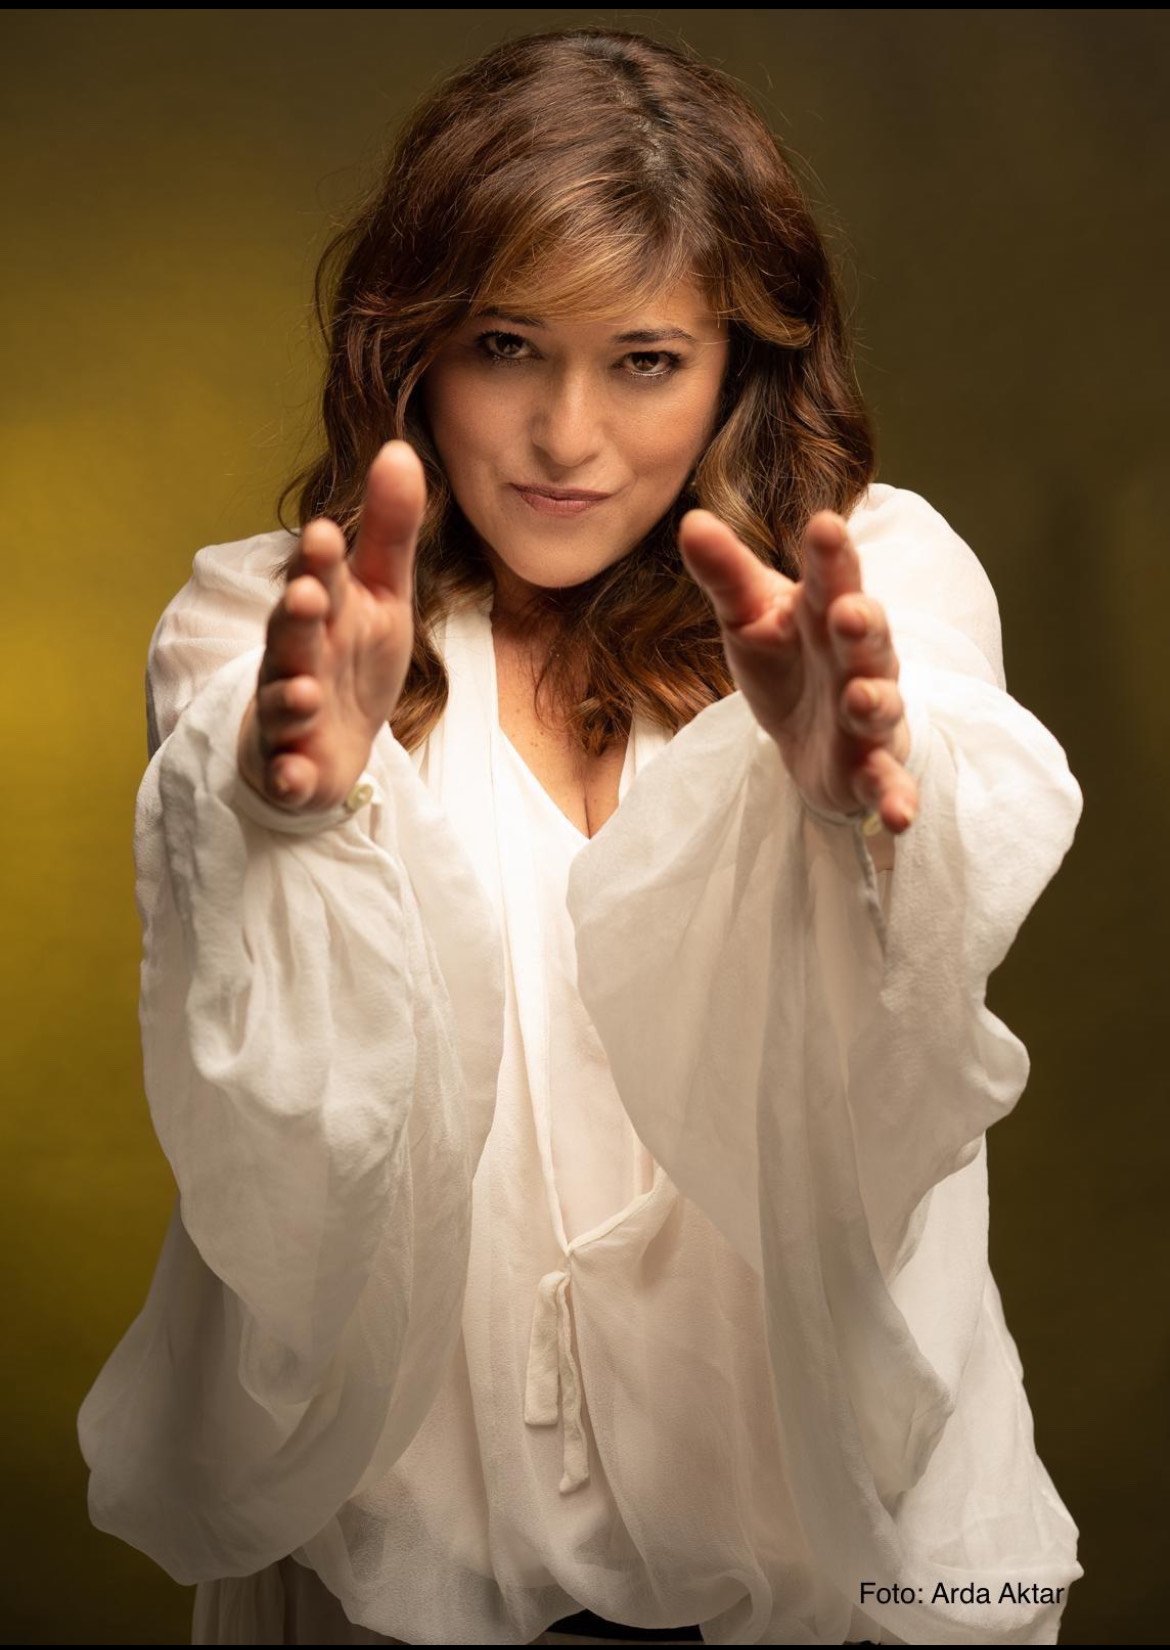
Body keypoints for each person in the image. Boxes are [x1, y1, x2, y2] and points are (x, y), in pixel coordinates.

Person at [77, 25, 1084, 1648]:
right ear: (411, 346)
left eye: (643, 360)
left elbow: (919, 971)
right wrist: (291, 812)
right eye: (505, 346)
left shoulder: (873, 584)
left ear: (738, 363)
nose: (565, 436)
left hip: (827, 1549)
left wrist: (853, 806)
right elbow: (283, 1133)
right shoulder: (269, 627)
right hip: (405, 1559)